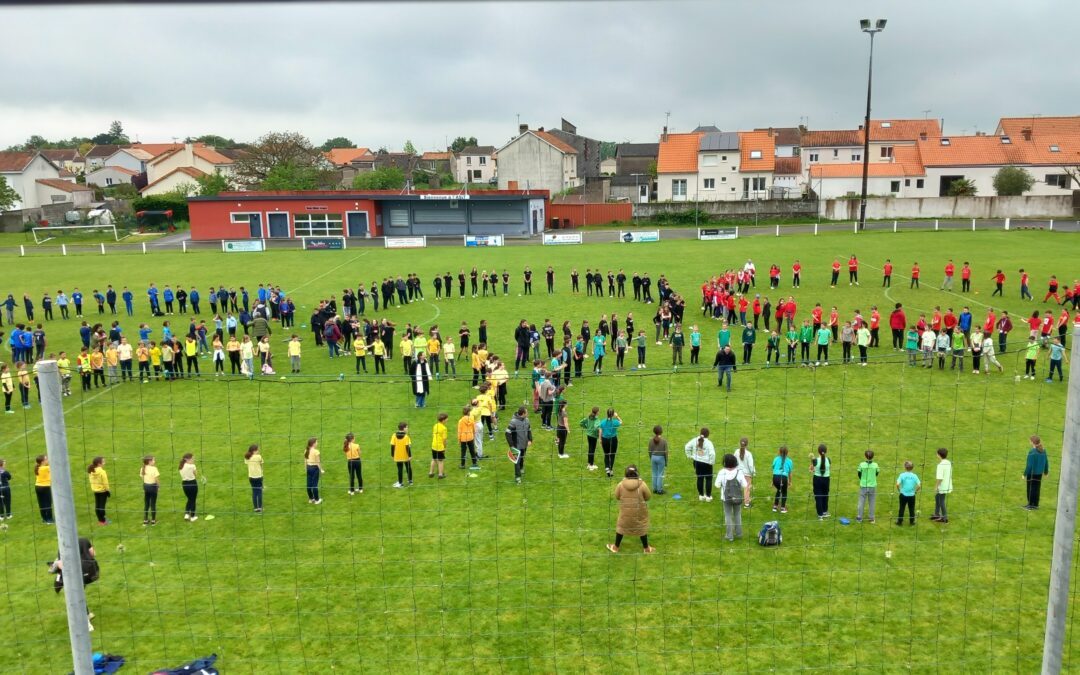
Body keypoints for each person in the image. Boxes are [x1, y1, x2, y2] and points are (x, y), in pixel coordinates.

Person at [48, 537, 99, 632]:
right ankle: (87, 614)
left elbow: (62, 565)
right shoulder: (84, 540)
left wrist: (55, 566)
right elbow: (93, 554)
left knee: (76, 598)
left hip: (76, 576)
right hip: (90, 573)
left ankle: (87, 624)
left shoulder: (63, 547)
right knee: (79, 595)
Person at [605, 465, 655, 554]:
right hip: (639, 512)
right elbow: (648, 497)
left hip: (625, 512)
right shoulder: (642, 484)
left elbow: (617, 496)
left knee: (621, 526)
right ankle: (646, 548)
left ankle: (615, 547)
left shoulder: (621, 484)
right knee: (641, 526)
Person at [716, 454, 748, 541]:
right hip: (737, 497)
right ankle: (739, 533)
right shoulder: (739, 472)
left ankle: (729, 536)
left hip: (726, 498)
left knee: (728, 515)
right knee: (737, 514)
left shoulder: (722, 472)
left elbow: (717, 485)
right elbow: (745, 484)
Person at [685, 428, 716, 502]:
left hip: (697, 462)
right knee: (708, 479)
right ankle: (708, 496)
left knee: (700, 478)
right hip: (706, 463)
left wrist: (689, 456)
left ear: (700, 433)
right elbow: (712, 453)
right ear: (708, 435)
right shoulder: (709, 443)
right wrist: (711, 462)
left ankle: (701, 495)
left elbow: (687, 447)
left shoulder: (694, 440)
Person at [505, 406, 532, 484]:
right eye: (526, 412)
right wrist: (511, 445)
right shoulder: (513, 422)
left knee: (522, 457)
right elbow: (507, 433)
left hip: (524, 443)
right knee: (516, 461)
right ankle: (518, 477)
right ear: (523, 413)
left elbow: (529, 430)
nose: (528, 413)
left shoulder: (527, 420)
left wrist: (530, 439)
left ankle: (521, 468)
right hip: (516, 445)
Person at [1024, 435, 1049, 509]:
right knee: (1037, 488)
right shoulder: (1043, 450)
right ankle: (1036, 504)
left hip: (1031, 474)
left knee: (1030, 488)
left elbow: (1029, 465)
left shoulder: (1032, 451)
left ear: (1032, 442)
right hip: (1039, 474)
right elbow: (1046, 462)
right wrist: (1046, 472)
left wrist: (1024, 474)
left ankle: (1030, 505)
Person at [856, 450, 879, 523]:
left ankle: (859, 517)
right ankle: (871, 518)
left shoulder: (861, 464)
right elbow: (877, 473)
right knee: (872, 502)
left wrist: (863, 479)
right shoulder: (875, 465)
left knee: (861, 501)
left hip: (863, 485)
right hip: (872, 486)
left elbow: (859, 474)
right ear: (873, 456)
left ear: (865, 456)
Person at [931, 448, 952, 523]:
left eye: (937, 454)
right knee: (937, 497)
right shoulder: (948, 462)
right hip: (947, 484)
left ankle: (944, 518)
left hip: (942, 485)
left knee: (941, 500)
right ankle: (937, 514)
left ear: (939, 455)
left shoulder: (940, 465)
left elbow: (940, 478)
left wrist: (936, 486)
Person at [896, 461, 921, 526]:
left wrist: (899, 490)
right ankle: (912, 522)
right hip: (912, 495)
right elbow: (919, 485)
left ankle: (899, 522)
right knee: (912, 509)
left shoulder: (902, 475)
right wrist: (915, 491)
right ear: (912, 468)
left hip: (903, 495)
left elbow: (897, 484)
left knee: (901, 508)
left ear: (905, 467)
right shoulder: (914, 476)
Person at [599, 408, 622, 477]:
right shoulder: (615, 422)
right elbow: (621, 422)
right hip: (613, 439)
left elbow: (600, 430)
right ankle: (610, 469)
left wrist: (600, 439)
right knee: (612, 454)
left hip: (604, 439)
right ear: (613, 414)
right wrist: (617, 416)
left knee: (606, 454)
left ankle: (607, 468)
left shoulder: (602, 422)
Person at [809, 444, 831, 519]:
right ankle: (825, 511)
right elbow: (827, 468)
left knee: (818, 496)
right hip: (826, 479)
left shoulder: (815, 461)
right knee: (825, 495)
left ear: (818, 451)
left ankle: (820, 514)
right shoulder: (829, 460)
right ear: (826, 451)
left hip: (817, 479)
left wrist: (812, 461)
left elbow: (811, 470)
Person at [87, 456, 110, 525]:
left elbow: (91, 481)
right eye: (103, 462)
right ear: (99, 464)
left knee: (97, 506)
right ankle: (103, 521)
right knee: (102, 506)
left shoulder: (91, 471)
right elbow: (105, 482)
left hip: (95, 491)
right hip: (102, 491)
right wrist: (107, 490)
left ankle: (100, 520)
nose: (104, 463)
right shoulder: (102, 472)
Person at [647, 425, 668, 495]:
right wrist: (666, 461)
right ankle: (659, 490)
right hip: (661, 458)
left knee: (654, 473)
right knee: (660, 474)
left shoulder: (650, 440)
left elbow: (649, 451)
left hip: (653, 457)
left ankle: (654, 489)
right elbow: (666, 452)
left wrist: (651, 458)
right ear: (661, 432)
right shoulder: (664, 441)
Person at [391, 422, 413, 488]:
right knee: (408, 467)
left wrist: (392, 455)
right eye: (407, 427)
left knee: (399, 469)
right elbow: (407, 447)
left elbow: (392, 446)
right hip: (405, 455)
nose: (407, 428)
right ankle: (410, 481)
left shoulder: (394, 435)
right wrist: (410, 455)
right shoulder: (406, 437)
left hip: (397, 456)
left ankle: (400, 483)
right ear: (403, 428)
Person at [734, 437, 755, 507]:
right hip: (747, 474)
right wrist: (753, 473)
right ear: (747, 444)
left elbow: (734, 462)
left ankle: (736, 501)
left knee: (738, 487)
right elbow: (751, 465)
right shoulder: (749, 454)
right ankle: (746, 503)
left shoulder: (736, 452)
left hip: (738, 472)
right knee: (747, 488)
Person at [771, 446, 793, 514]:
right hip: (783, 478)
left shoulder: (775, 459)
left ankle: (775, 506)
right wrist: (790, 482)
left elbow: (774, 470)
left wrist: (772, 481)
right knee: (784, 492)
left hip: (775, 478)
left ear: (779, 452)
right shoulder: (789, 461)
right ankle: (783, 508)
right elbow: (790, 473)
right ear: (787, 453)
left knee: (778, 490)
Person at [140, 455, 160, 525]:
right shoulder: (154, 469)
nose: (155, 461)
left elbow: (142, 477)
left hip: (146, 486)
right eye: (153, 460)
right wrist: (158, 486)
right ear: (149, 461)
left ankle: (145, 520)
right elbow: (157, 479)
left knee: (146, 503)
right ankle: (153, 520)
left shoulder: (143, 468)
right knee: (153, 503)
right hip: (153, 486)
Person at [179, 453, 199, 521]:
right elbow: (196, 474)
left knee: (189, 499)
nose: (194, 460)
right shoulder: (192, 466)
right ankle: (193, 516)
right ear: (187, 459)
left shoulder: (181, 466)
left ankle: (186, 514)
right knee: (193, 500)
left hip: (184, 484)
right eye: (192, 458)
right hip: (192, 483)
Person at [303, 437, 324, 503]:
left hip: (308, 468)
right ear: (313, 444)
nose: (317, 443)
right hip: (314, 469)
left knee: (309, 484)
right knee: (315, 485)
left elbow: (305, 461)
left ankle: (311, 498)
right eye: (316, 442)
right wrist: (321, 470)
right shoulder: (316, 451)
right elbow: (318, 462)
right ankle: (317, 500)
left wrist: (306, 469)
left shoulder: (306, 450)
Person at [430, 413, 448, 479]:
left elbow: (433, 435)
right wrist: (445, 446)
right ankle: (440, 474)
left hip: (434, 445)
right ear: (443, 420)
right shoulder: (444, 428)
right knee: (441, 461)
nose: (447, 420)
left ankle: (431, 473)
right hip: (440, 447)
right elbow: (444, 439)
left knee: (434, 459)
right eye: (446, 419)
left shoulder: (435, 425)